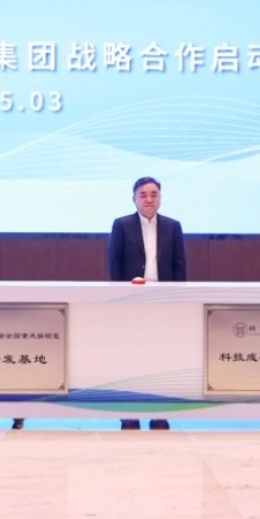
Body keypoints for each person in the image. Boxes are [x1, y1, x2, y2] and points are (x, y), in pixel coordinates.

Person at [107, 177, 187, 431]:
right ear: (134, 199)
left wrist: (177, 301)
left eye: (154, 194)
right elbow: (114, 266)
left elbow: (180, 267)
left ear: (160, 198)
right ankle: (129, 412)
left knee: (162, 358)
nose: (149, 199)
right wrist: (121, 300)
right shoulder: (122, 225)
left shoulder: (173, 227)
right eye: (143, 195)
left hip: (163, 302)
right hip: (132, 302)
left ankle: (159, 412)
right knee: (129, 357)